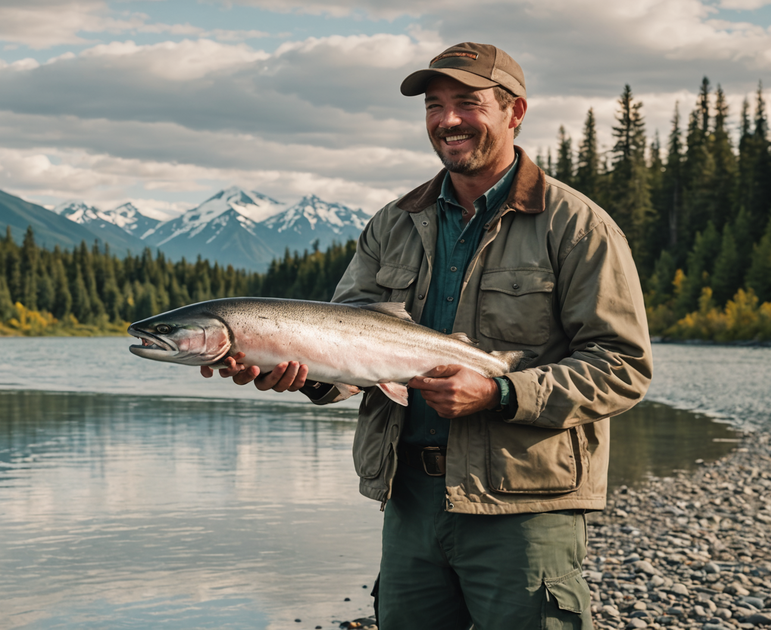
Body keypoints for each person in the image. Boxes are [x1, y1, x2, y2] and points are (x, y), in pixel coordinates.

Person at [203, 42, 652, 629]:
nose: (447, 120)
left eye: (468, 103)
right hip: (408, 496)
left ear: (515, 113)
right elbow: (345, 357)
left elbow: (623, 366)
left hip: (523, 507)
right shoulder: (392, 224)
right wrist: (295, 373)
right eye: (434, 106)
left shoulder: (576, 225)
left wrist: (501, 393)